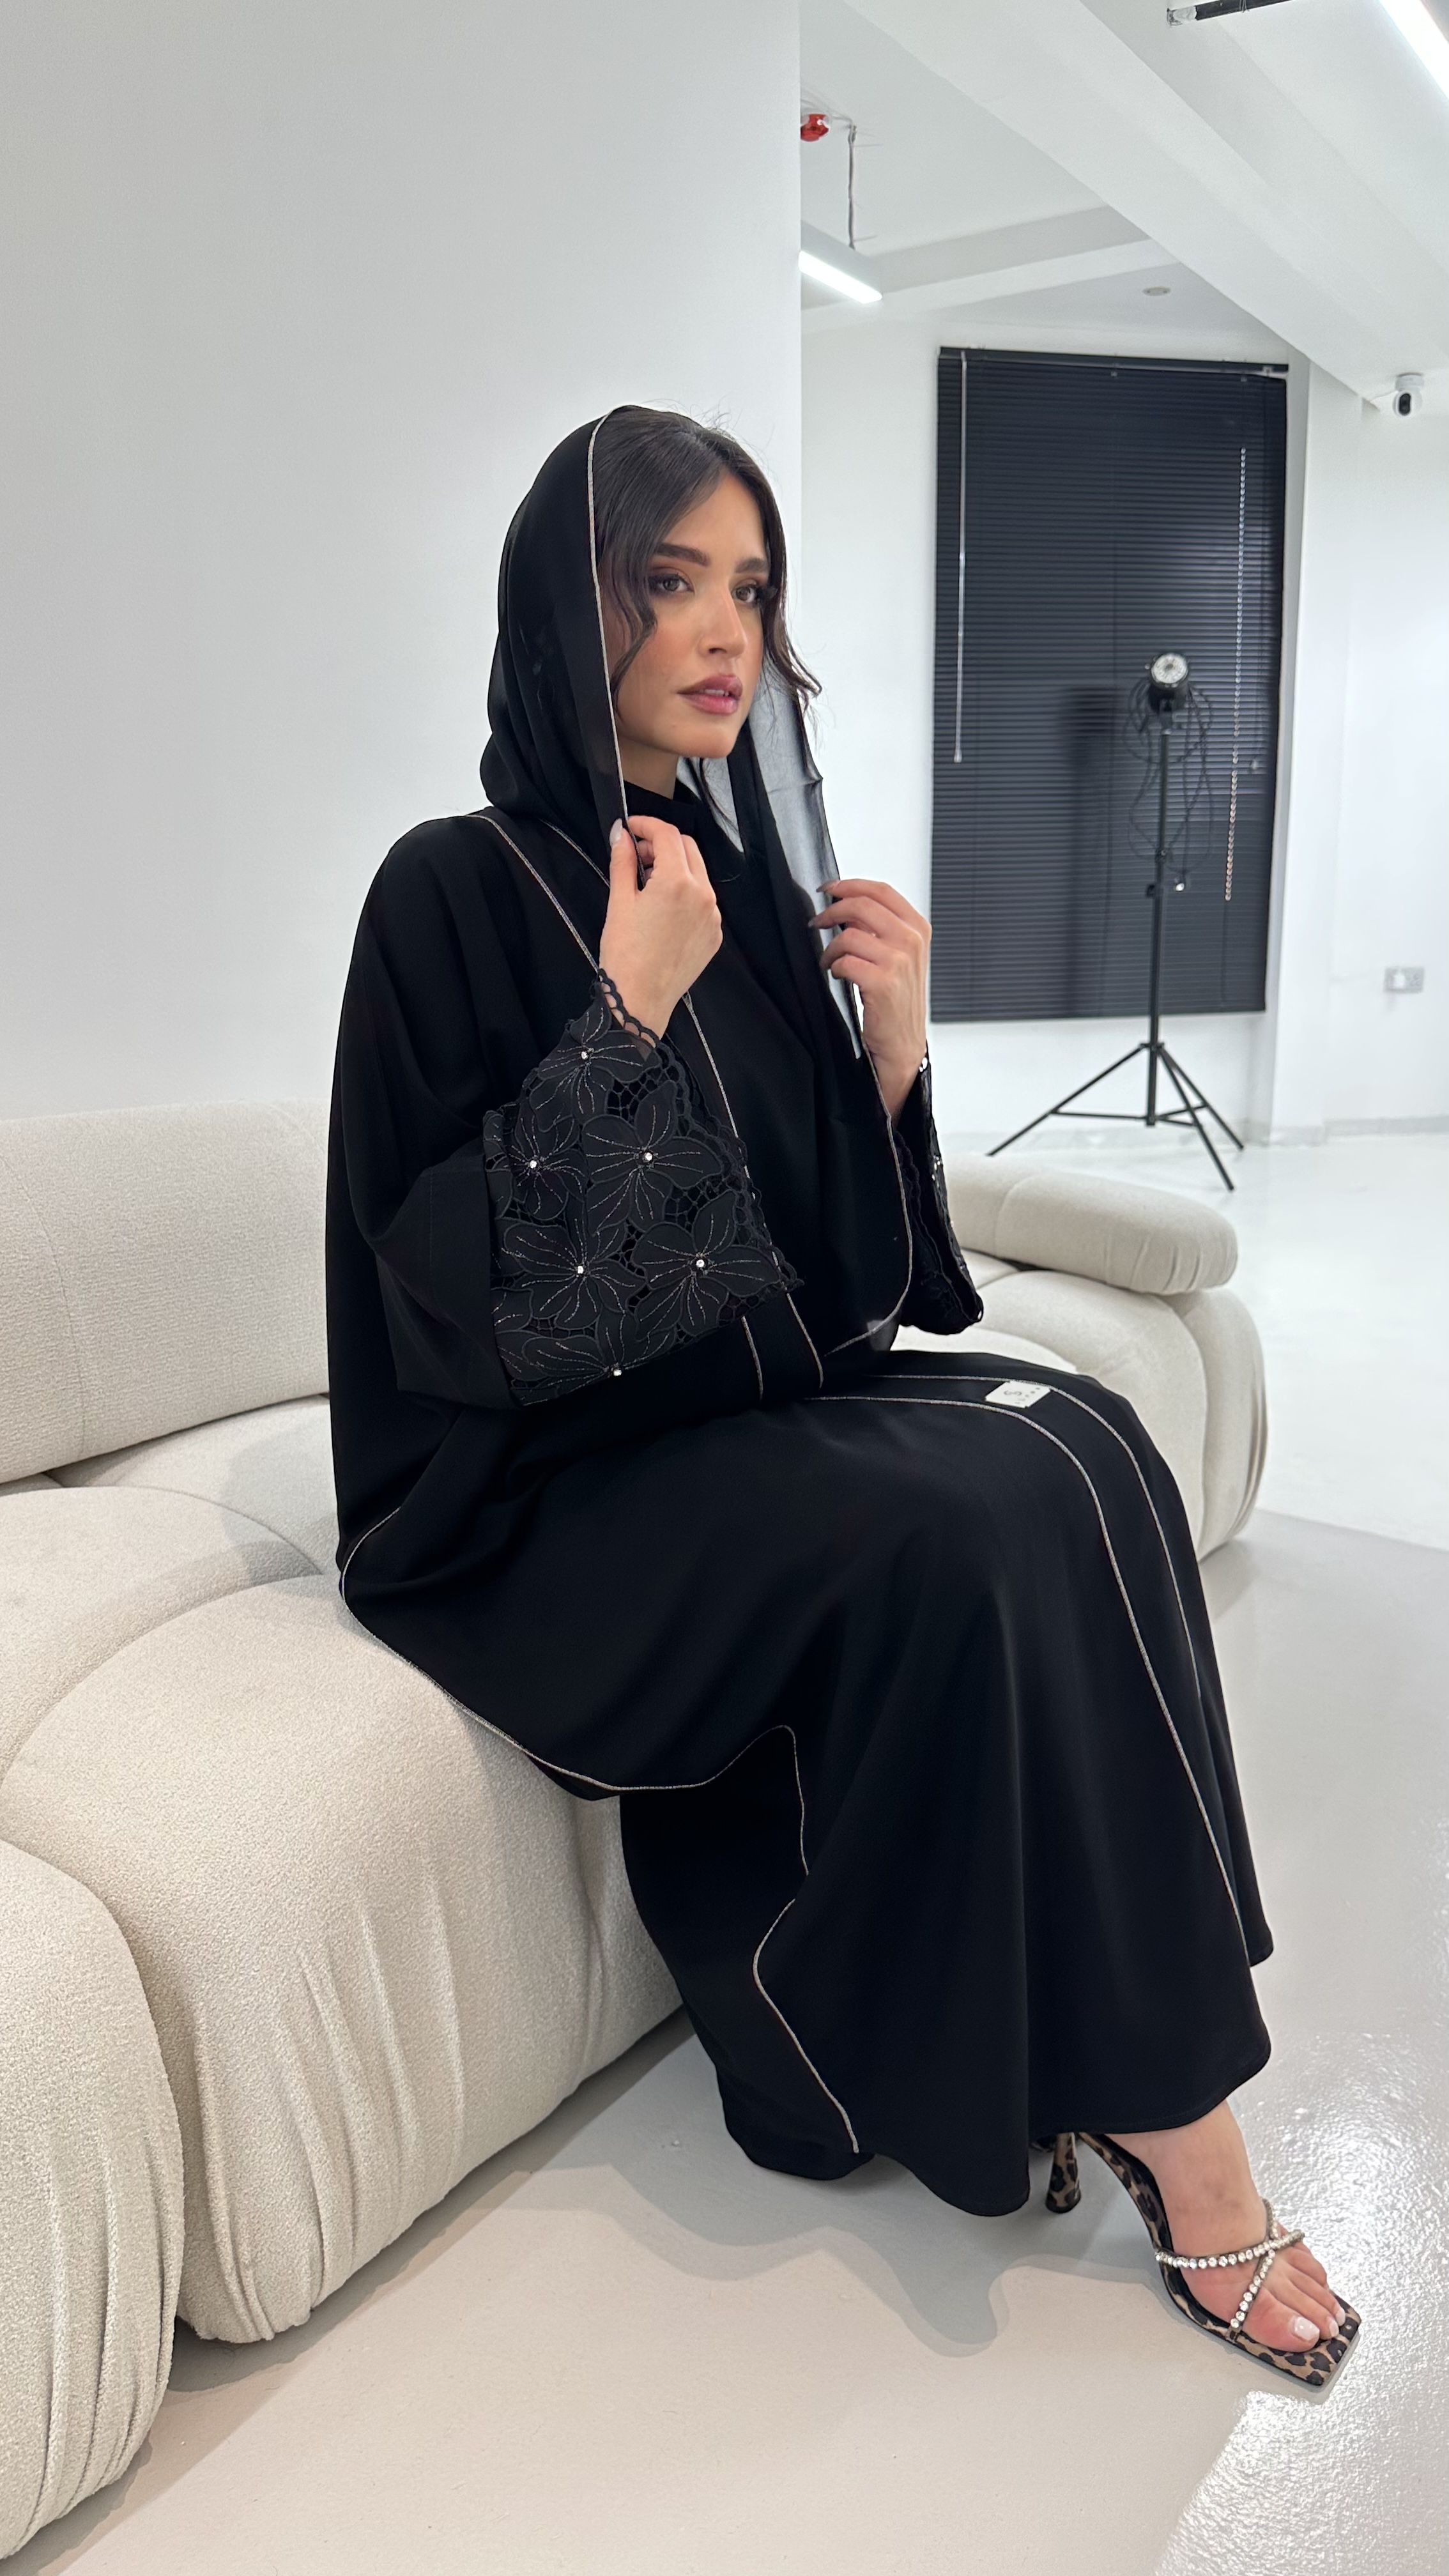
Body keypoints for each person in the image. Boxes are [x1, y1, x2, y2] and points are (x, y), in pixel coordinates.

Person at [326, 407, 1357, 2386]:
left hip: (724, 1425)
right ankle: (1184, 2136)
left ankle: (1116, 2039)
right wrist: (623, 1009)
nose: (727, 631)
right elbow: (457, 1297)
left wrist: (886, 1059)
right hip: (536, 1493)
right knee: (970, 1517)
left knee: (1082, 1442)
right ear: (566, 610)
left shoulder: (726, 878)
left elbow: (833, 1274)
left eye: (751, 586)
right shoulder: (445, 889)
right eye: (669, 582)